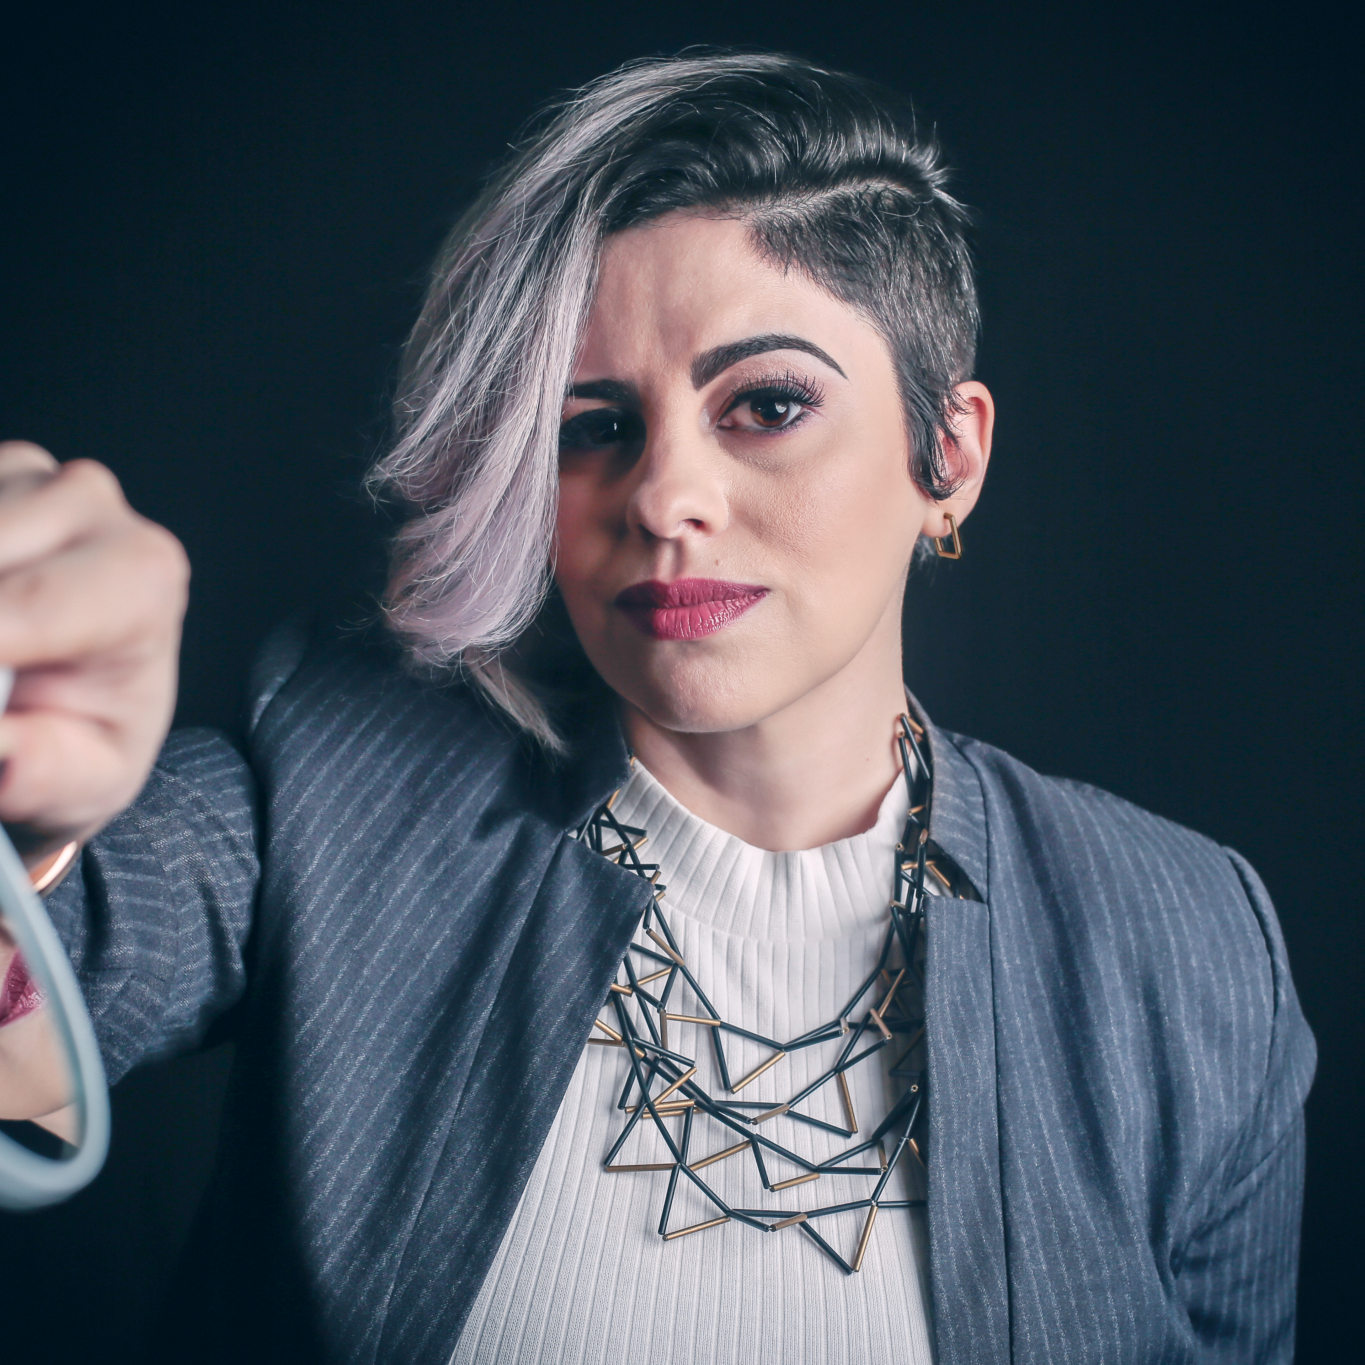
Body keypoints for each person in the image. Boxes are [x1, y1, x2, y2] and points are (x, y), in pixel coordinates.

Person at [0, 51, 1314, 1365]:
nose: (663, 496)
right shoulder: (334, 786)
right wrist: (35, 812)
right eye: (592, 427)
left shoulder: (1191, 945)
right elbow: (42, 1023)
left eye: (768, 405)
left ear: (949, 456)